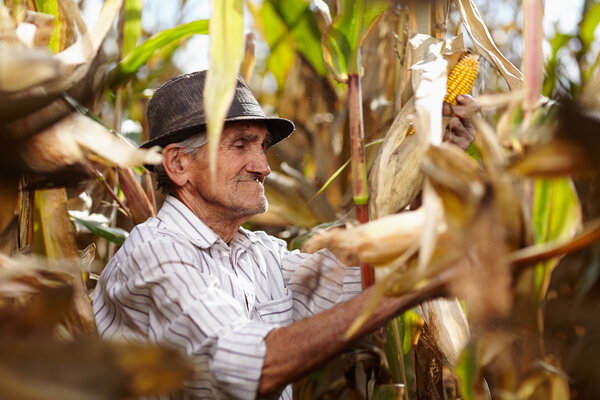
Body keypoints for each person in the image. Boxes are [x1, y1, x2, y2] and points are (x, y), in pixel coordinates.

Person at [93, 71, 477, 399]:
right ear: (178, 164)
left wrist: (437, 164)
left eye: (262, 146)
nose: (263, 167)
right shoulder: (154, 255)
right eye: (240, 145)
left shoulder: (259, 254)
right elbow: (249, 368)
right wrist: (413, 288)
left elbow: (364, 272)